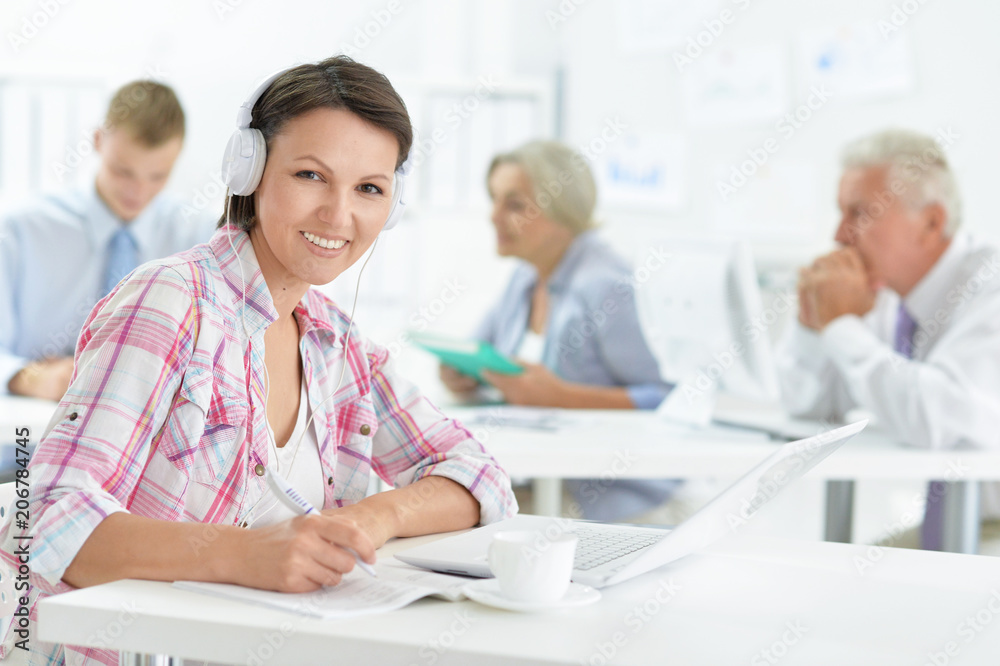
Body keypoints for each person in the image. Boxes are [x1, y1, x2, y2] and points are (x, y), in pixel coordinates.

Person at [0, 57, 516, 666]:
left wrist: (376, 519)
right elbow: (47, 522)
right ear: (249, 171)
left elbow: (479, 475)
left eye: (369, 188)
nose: (338, 215)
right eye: (310, 175)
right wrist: (246, 554)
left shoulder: (336, 342)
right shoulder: (171, 300)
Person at [776, 128, 1000, 551]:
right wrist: (814, 324)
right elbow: (806, 406)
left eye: (859, 213)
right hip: (957, 523)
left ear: (931, 222)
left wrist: (841, 326)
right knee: (833, 583)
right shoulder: (881, 293)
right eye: (840, 213)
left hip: (990, 528)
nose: (839, 235)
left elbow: (939, 422)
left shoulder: (991, 288)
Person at [439, 140, 675, 522]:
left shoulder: (606, 285)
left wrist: (561, 396)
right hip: (541, 485)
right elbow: (477, 351)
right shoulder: (525, 275)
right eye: (494, 199)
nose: (494, 216)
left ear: (562, 211)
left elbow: (667, 398)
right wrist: (462, 376)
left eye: (514, 205)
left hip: (615, 503)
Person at [0, 80, 214, 401]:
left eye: (157, 176)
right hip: (30, 437)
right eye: (123, 172)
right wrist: (29, 378)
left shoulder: (202, 237)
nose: (137, 192)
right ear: (98, 141)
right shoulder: (20, 231)